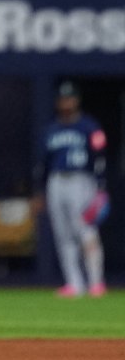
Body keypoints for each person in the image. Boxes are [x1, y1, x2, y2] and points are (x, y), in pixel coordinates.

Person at [37, 81, 107, 298]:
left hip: (81, 180)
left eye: (70, 98)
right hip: (56, 181)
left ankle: (96, 282)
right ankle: (74, 284)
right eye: (63, 98)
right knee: (63, 234)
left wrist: (100, 187)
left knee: (85, 229)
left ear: (77, 100)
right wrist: (39, 190)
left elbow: (100, 156)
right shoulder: (51, 130)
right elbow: (43, 163)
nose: (66, 102)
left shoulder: (88, 126)